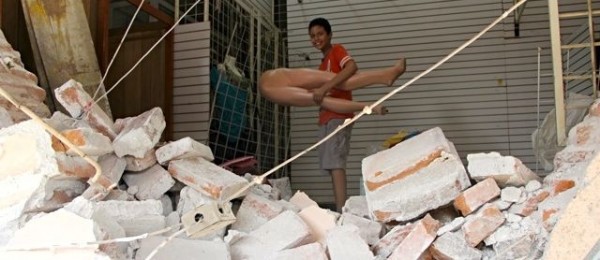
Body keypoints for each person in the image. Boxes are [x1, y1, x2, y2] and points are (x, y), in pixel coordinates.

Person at [259, 18, 406, 211]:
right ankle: (341, 207)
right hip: (328, 116)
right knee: (331, 164)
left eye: (320, 34)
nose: (316, 38)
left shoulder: (337, 51)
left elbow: (351, 69)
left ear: (329, 35)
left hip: (337, 115)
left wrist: (333, 90)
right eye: (312, 36)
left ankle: (341, 208)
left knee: (336, 164)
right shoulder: (322, 64)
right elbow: (325, 95)